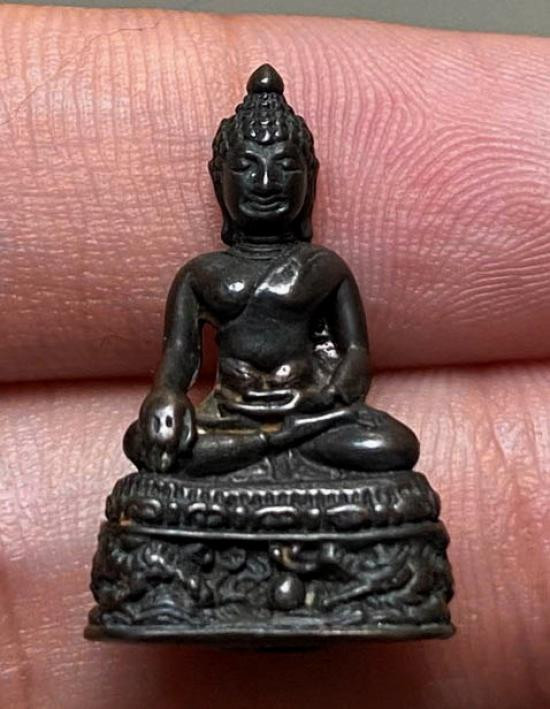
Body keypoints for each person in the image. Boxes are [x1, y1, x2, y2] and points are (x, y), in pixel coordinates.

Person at [123, 64, 419, 476]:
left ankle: (265, 447)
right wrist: (164, 398)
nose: (265, 182)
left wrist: (326, 397)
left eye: (285, 167)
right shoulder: (199, 275)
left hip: (309, 414)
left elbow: (355, 354)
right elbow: (179, 356)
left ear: (309, 178)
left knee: (393, 446)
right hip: (228, 415)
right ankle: (273, 446)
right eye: (246, 166)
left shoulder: (325, 269)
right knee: (143, 440)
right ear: (219, 179)